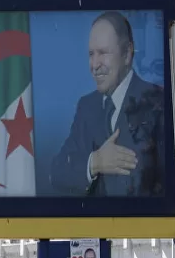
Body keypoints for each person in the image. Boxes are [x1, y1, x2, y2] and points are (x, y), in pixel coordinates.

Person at [50, 11, 164, 197]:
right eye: (91, 54)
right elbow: (57, 173)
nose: (94, 64)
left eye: (103, 53)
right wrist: (95, 162)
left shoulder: (157, 102)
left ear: (127, 54)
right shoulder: (87, 106)